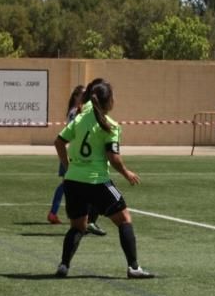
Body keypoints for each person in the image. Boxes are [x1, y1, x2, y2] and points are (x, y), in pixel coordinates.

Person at [53, 79, 154, 279]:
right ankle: (134, 268)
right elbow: (113, 158)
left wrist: (68, 167)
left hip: (73, 182)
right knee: (124, 218)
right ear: (108, 101)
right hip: (96, 182)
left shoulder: (80, 118)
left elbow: (58, 142)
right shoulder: (110, 126)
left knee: (78, 226)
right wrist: (127, 172)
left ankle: (64, 265)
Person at [47, 84, 106, 238]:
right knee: (71, 185)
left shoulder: (77, 111)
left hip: (75, 153)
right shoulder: (76, 112)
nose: (87, 96)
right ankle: (82, 220)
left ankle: (62, 215)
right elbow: (72, 134)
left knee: (68, 184)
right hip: (75, 154)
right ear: (77, 96)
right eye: (84, 94)